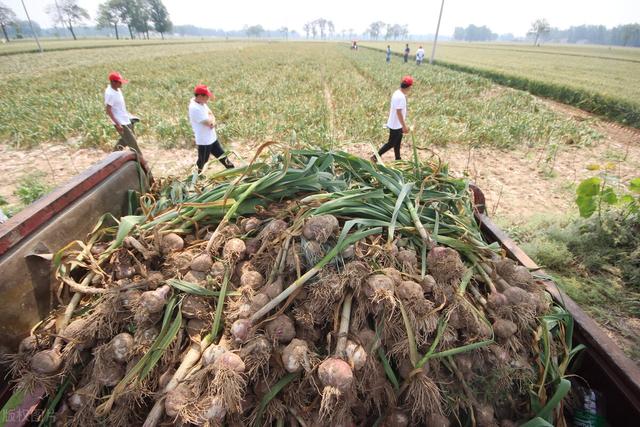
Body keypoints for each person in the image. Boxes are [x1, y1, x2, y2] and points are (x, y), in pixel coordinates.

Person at [188, 84, 234, 172]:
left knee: (223, 156)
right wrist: (212, 119)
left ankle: (233, 171)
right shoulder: (195, 108)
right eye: (207, 96)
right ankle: (195, 179)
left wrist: (211, 117)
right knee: (202, 161)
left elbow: (211, 114)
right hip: (204, 141)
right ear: (200, 96)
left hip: (212, 138)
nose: (208, 98)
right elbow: (211, 124)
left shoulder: (202, 103)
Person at [372, 75, 413, 162]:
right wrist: (404, 126)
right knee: (391, 143)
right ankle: (375, 156)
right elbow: (399, 112)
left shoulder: (397, 93)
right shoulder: (401, 97)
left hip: (395, 123)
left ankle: (398, 159)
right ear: (409, 87)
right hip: (396, 125)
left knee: (397, 142)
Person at [104, 71, 140, 152]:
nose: (121, 84)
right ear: (113, 82)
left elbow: (119, 106)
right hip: (120, 122)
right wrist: (117, 124)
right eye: (119, 82)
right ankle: (140, 161)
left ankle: (114, 155)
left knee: (125, 140)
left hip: (125, 118)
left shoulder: (117, 89)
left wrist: (129, 115)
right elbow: (108, 110)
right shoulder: (110, 93)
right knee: (133, 143)